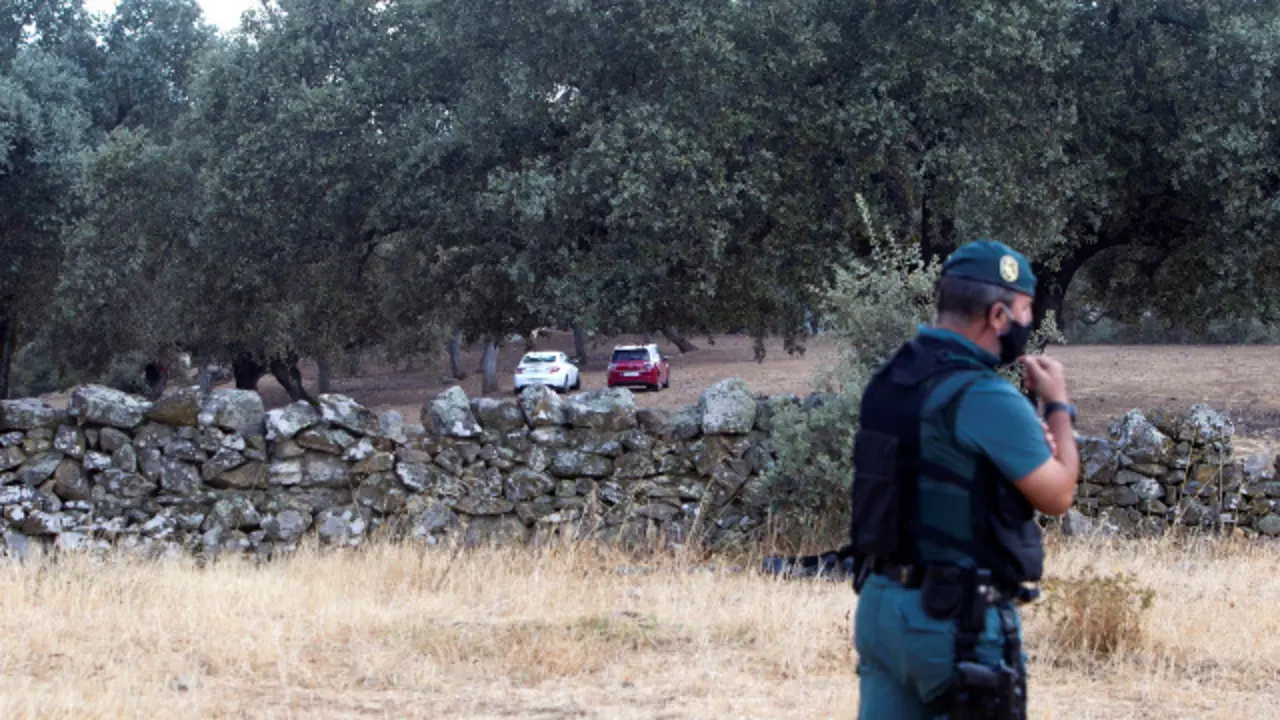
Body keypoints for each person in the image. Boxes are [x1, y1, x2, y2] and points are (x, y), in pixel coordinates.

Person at [849, 239, 1080, 719]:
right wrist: (1057, 406)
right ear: (997, 317)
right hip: (953, 621)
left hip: (880, 604)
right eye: (1024, 310)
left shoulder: (892, 377)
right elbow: (1058, 493)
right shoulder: (984, 395)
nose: (1027, 323)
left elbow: (936, 462)